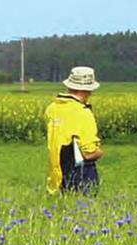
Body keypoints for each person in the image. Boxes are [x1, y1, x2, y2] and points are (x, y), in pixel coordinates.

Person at [45, 66, 104, 195]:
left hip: (56, 175)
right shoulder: (82, 113)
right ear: (86, 90)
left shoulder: (52, 109)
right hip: (80, 174)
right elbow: (89, 153)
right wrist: (100, 152)